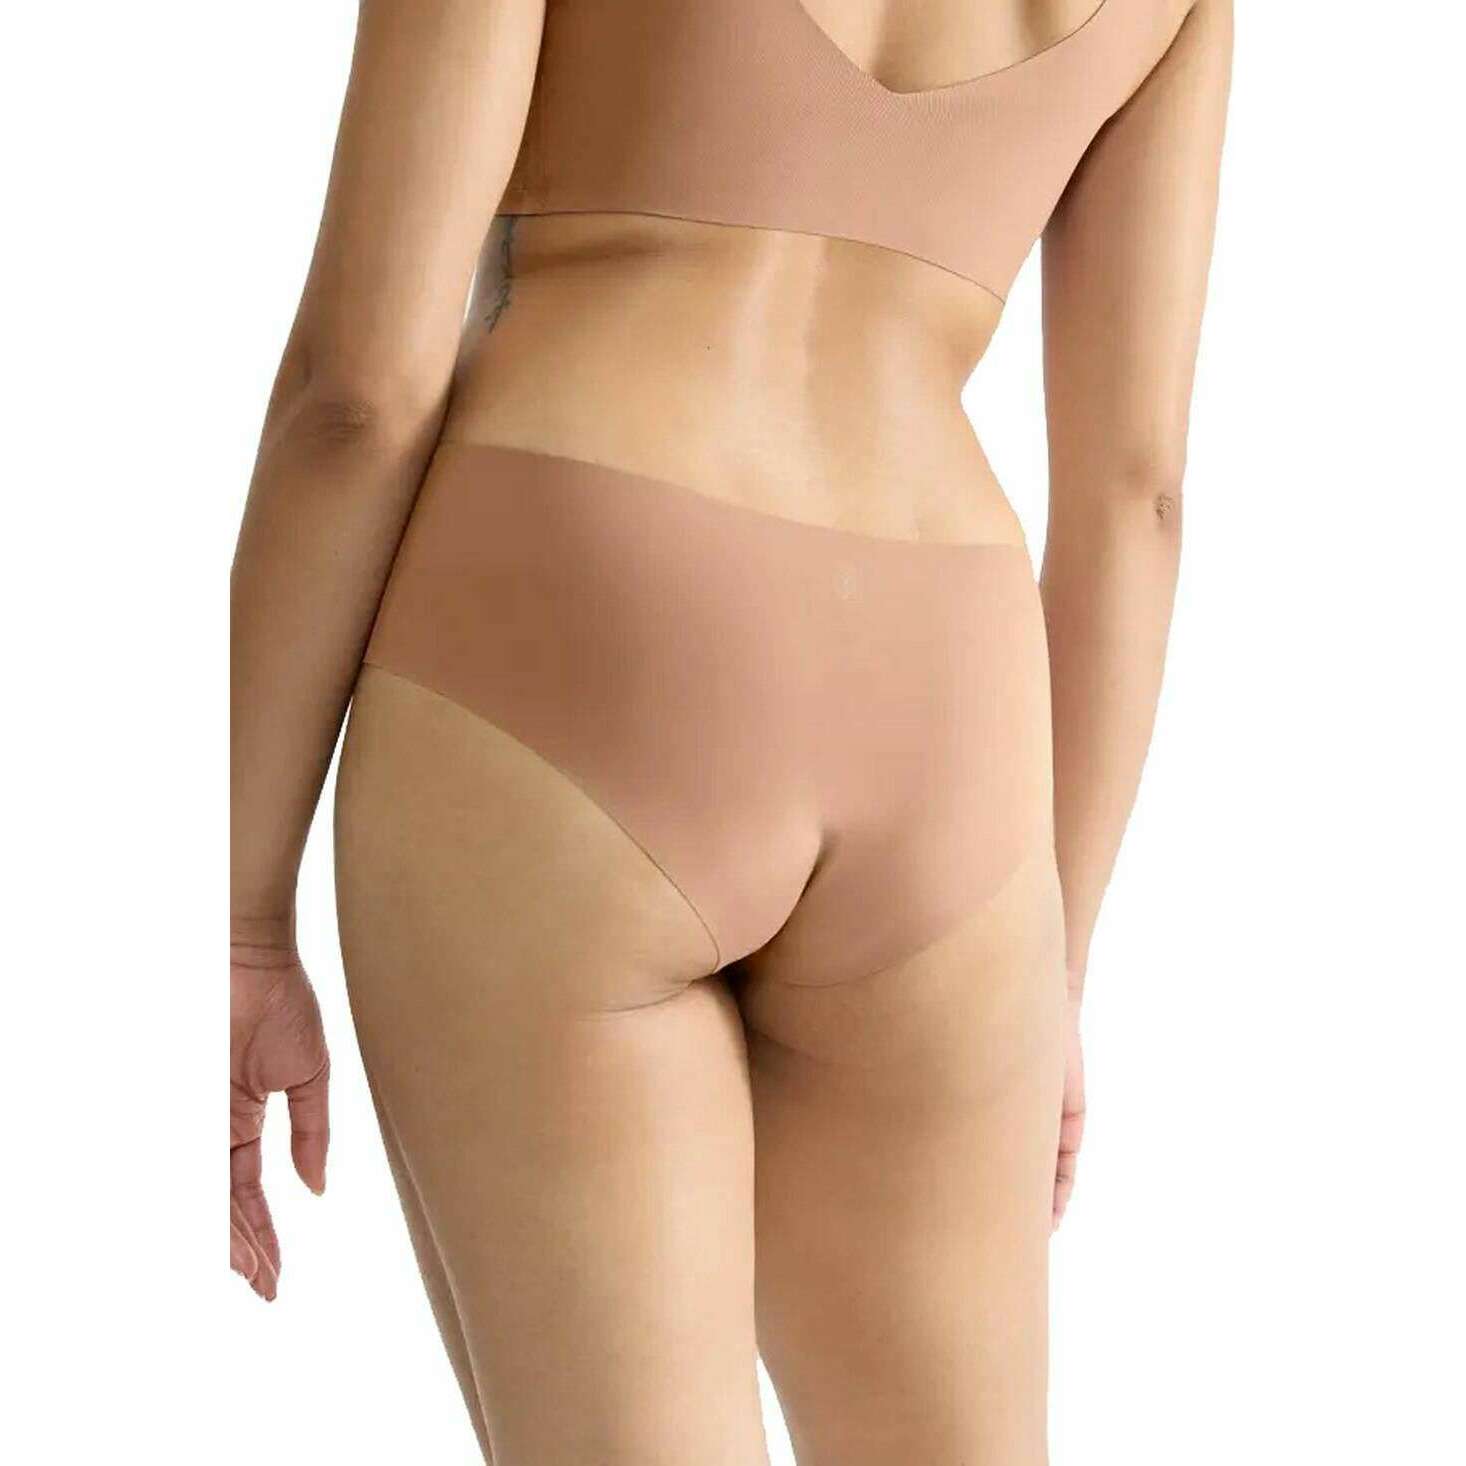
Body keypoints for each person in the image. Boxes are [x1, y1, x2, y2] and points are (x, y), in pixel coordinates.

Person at [230, 1, 1231, 1460]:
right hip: (942, 702)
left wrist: (240, 917)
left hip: (572, 626)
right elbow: (1137, 493)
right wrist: (1046, 967)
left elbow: (359, 392)